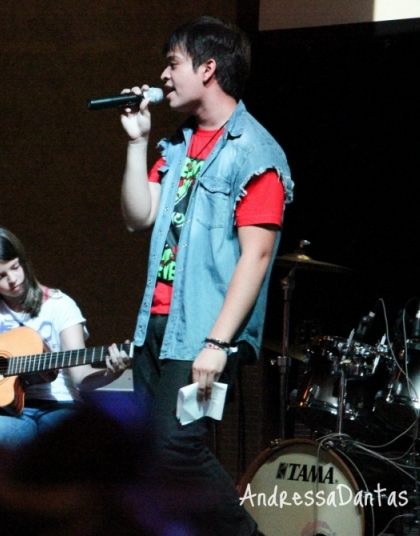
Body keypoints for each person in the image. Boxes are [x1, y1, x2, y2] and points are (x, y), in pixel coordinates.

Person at [108, 16, 294, 536]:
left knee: (175, 448)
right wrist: (136, 142)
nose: (163, 75)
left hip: (202, 333)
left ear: (208, 68)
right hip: (156, 324)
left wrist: (218, 341)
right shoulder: (174, 145)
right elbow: (136, 216)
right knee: (151, 455)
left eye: (173, 64)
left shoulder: (255, 152)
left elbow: (256, 257)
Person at [0, 225, 129, 449]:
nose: (13, 279)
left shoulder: (60, 305)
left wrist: (110, 373)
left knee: (75, 442)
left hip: (60, 404)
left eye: (15, 267)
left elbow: (81, 377)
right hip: (3, 410)